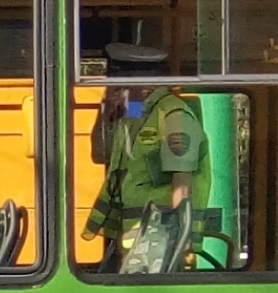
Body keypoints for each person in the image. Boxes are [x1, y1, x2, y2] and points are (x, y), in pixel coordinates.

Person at [85, 42, 205, 270]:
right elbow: (100, 154)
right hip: (136, 237)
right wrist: (106, 113)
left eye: (117, 83)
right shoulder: (138, 110)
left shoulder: (173, 115)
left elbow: (182, 183)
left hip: (158, 245)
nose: (112, 89)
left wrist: (178, 240)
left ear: (140, 81)